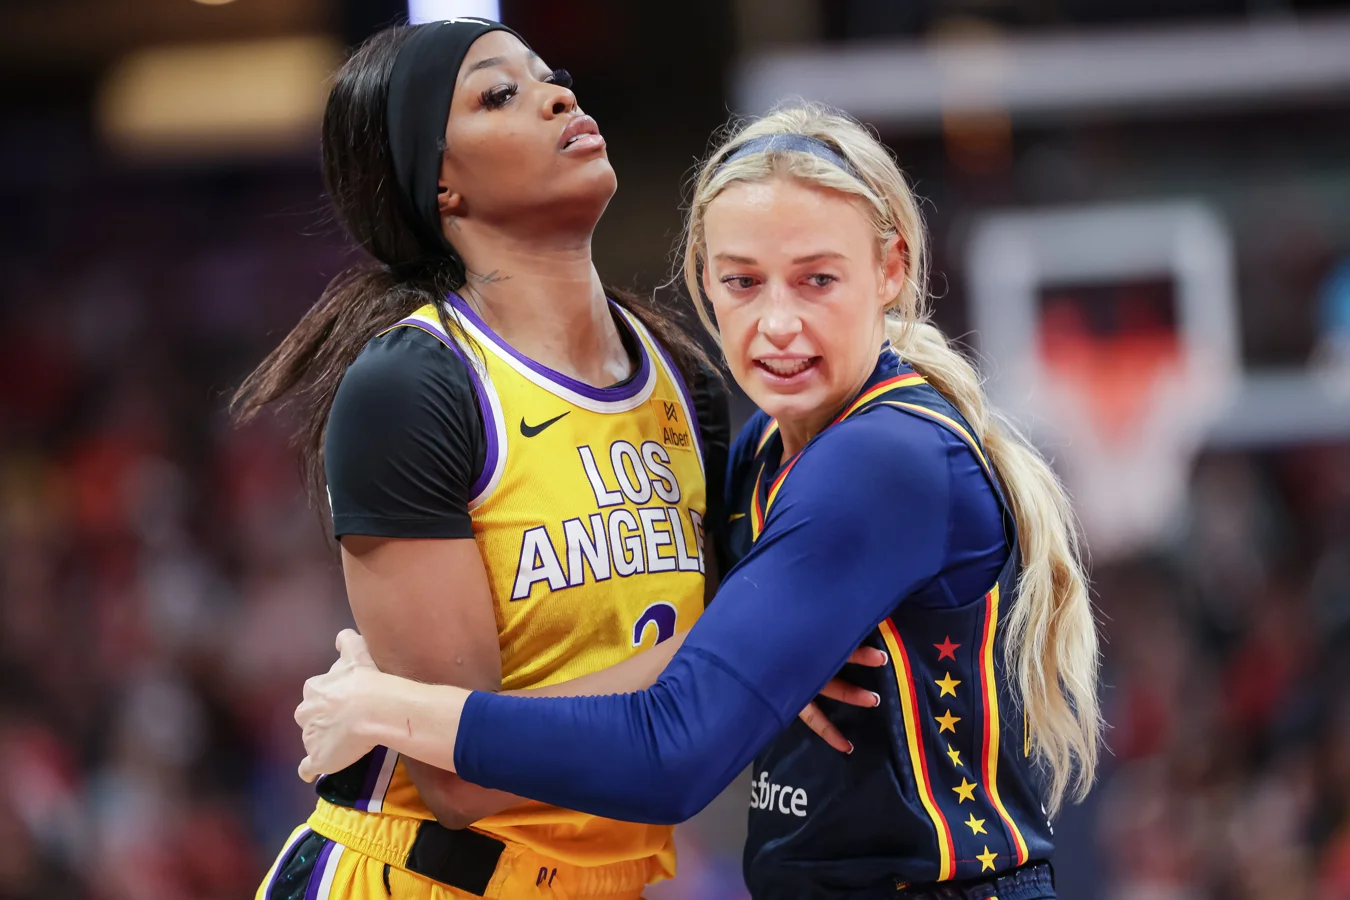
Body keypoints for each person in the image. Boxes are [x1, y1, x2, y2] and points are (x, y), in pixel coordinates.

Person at [293, 104, 1103, 899]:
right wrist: (768, 669)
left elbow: (673, 750)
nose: (777, 323)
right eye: (743, 282)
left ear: (891, 270)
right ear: (705, 281)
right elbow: (697, 658)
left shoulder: (883, 457)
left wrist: (389, 708)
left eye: (818, 280)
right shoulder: (760, 451)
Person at [235, 21, 877, 900]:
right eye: (500, 94)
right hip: (417, 877)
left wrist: (750, 665)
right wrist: (755, 658)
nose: (559, 96)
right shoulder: (415, 383)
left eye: (553, 77)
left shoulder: (682, 373)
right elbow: (459, 774)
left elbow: (714, 698)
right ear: (440, 182)